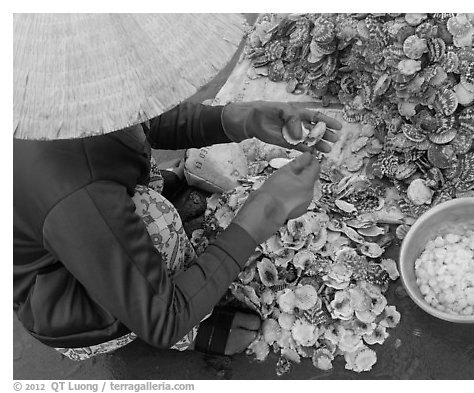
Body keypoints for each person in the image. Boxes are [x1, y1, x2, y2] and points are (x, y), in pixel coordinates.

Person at [13, 99, 342, 359]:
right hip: (68, 307)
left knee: (143, 194)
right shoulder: (77, 192)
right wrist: (267, 210)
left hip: (87, 219)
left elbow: (149, 119)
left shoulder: (79, 94)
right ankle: (193, 332)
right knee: (155, 216)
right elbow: (162, 320)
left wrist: (244, 118)